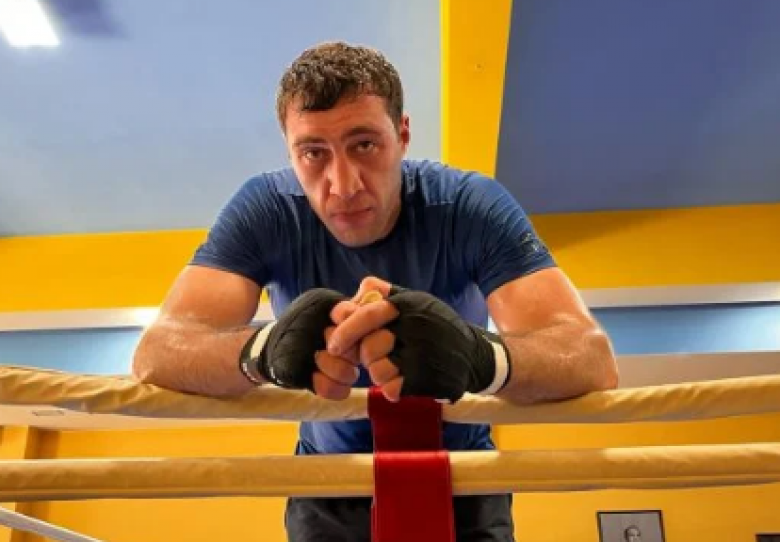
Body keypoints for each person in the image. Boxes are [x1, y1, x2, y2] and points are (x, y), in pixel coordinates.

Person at [132, 40, 619, 542]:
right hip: (328, 483)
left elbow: (591, 358)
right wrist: (261, 349)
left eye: (364, 144)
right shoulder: (266, 210)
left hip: (462, 474)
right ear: (290, 153)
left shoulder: (469, 205)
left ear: (402, 135)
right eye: (313, 153)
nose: (343, 185)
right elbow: (157, 352)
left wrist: (481, 357)